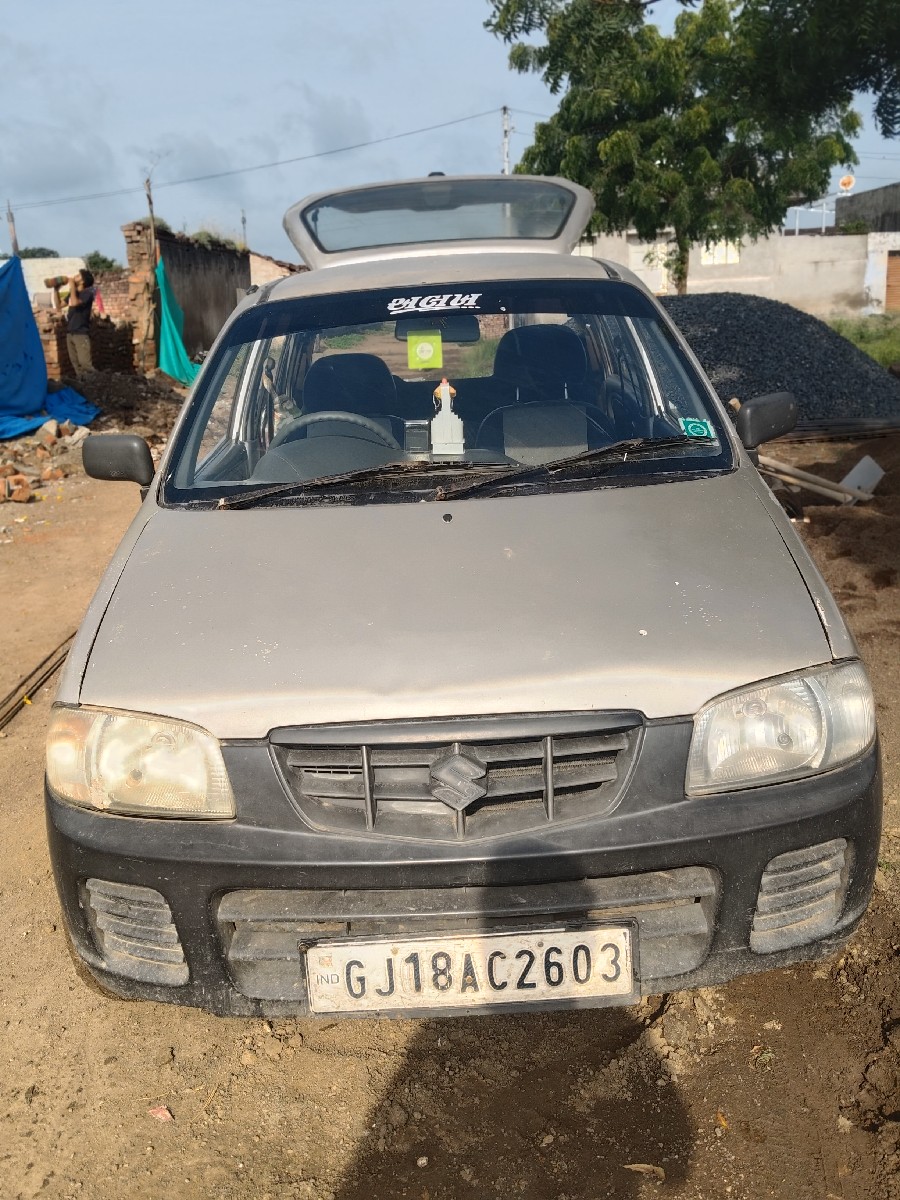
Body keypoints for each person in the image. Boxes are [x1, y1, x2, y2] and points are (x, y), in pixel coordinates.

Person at [51, 269, 95, 377]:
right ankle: (83, 383)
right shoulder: (73, 293)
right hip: (70, 333)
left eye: (78, 276)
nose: (75, 276)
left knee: (85, 364)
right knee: (76, 364)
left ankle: (97, 382)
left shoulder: (87, 294)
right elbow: (59, 306)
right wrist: (56, 290)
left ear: (83, 281)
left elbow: (75, 303)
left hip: (81, 333)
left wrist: (71, 286)